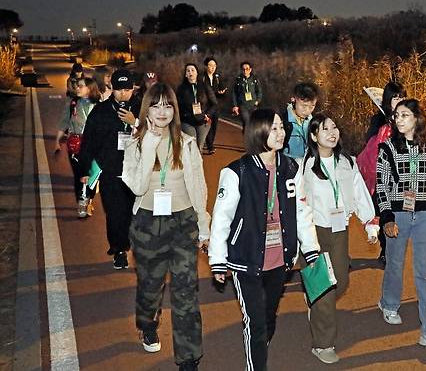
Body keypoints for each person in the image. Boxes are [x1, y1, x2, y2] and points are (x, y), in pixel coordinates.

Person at [208, 108, 320, 371]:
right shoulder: (237, 172)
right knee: (255, 322)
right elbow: (221, 219)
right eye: (275, 128)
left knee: (268, 316)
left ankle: (258, 345)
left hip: (280, 258)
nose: (281, 133)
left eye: (282, 127)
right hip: (245, 257)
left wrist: (311, 248)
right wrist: (218, 260)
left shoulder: (292, 168)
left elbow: (301, 210)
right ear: (259, 132)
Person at [121, 83, 210, 371]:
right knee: (150, 285)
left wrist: (203, 225)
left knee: (186, 292)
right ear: (147, 109)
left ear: (175, 109)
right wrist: (149, 144)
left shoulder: (186, 143)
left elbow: (198, 187)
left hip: (183, 222)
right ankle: (147, 323)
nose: (162, 112)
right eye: (156, 105)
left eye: (168, 105)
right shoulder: (135, 143)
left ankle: (188, 358)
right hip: (148, 223)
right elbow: (136, 185)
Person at [300, 113, 379, 364]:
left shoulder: (347, 162)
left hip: (339, 229)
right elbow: (297, 203)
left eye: (334, 127)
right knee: (324, 286)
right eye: (325, 129)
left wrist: (369, 222)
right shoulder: (304, 166)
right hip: (314, 231)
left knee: (341, 281)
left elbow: (359, 192)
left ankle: (317, 304)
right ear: (314, 136)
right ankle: (323, 344)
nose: (332, 132)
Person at [375, 98, 426, 349]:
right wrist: (386, 217)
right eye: (396, 115)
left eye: (405, 115)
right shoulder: (387, 147)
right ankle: (389, 303)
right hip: (398, 214)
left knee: (425, 270)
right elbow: (382, 185)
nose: (398, 119)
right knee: (395, 263)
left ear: (417, 118)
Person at [79, 68, 140, 269]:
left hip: (137, 171)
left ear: (133, 89)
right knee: (114, 213)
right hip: (110, 172)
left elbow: (156, 135)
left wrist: (135, 123)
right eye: (119, 89)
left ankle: (133, 245)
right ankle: (119, 249)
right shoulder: (100, 111)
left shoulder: (142, 109)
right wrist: (85, 171)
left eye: (128, 89)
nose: (123, 93)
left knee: (134, 213)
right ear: (112, 88)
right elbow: (87, 143)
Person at [361, 81, 406, 263]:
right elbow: (370, 144)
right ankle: (386, 248)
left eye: (402, 96)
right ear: (388, 99)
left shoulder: (407, 116)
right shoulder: (379, 119)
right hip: (381, 174)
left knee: (399, 212)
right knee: (384, 212)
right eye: (395, 97)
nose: (399, 100)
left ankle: (392, 247)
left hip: (402, 174)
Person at [54, 77, 101, 218]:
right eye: (77, 86)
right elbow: (64, 122)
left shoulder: (99, 106)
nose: (77, 88)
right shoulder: (72, 103)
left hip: (93, 145)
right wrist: (57, 140)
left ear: (90, 88)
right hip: (75, 144)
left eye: (81, 86)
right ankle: (81, 202)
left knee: (92, 175)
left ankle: (89, 200)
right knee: (79, 176)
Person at [176, 63, 217, 151]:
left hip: (203, 121)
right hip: (187, 122)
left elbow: (214, 103)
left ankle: (198, 164)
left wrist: (208, 114)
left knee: (199, 147)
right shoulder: (181, 89)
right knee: (192, 146)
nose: (190, 72)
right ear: (186, 74)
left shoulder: (204, 87)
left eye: (192, 70)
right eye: (188, 71)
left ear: (197, 73)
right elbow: (177, 106)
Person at [281, 82, 319, 159]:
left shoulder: (314, 122)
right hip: (288, 166)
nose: (308, 111)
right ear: (293, 100)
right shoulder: (282, 121)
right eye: (304, 106)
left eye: (312, 106)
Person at [203, 57, 227, 154]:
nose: (212, 68)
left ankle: (210, 144)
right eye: (210, 65)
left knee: (214, 125)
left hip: (216, 105)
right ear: (206, 66)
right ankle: (210, 146)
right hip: (206, 105)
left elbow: (223, 89)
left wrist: (222, 92)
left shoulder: (217, 77)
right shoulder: (202, 77)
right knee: (207, 124)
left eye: (214, 66)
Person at [231, 61, 262, 128]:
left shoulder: (255, 79)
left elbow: (259, 91)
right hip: (243, 105)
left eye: (247, 69)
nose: (245, 71)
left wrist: (257, 101)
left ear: (250, 69)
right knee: (246, 121)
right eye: (243, 69)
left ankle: (250, 136)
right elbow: (234, 93)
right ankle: (246, 136)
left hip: (253, 105)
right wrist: (235, 105)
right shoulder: (238, 80)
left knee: (254, 123)